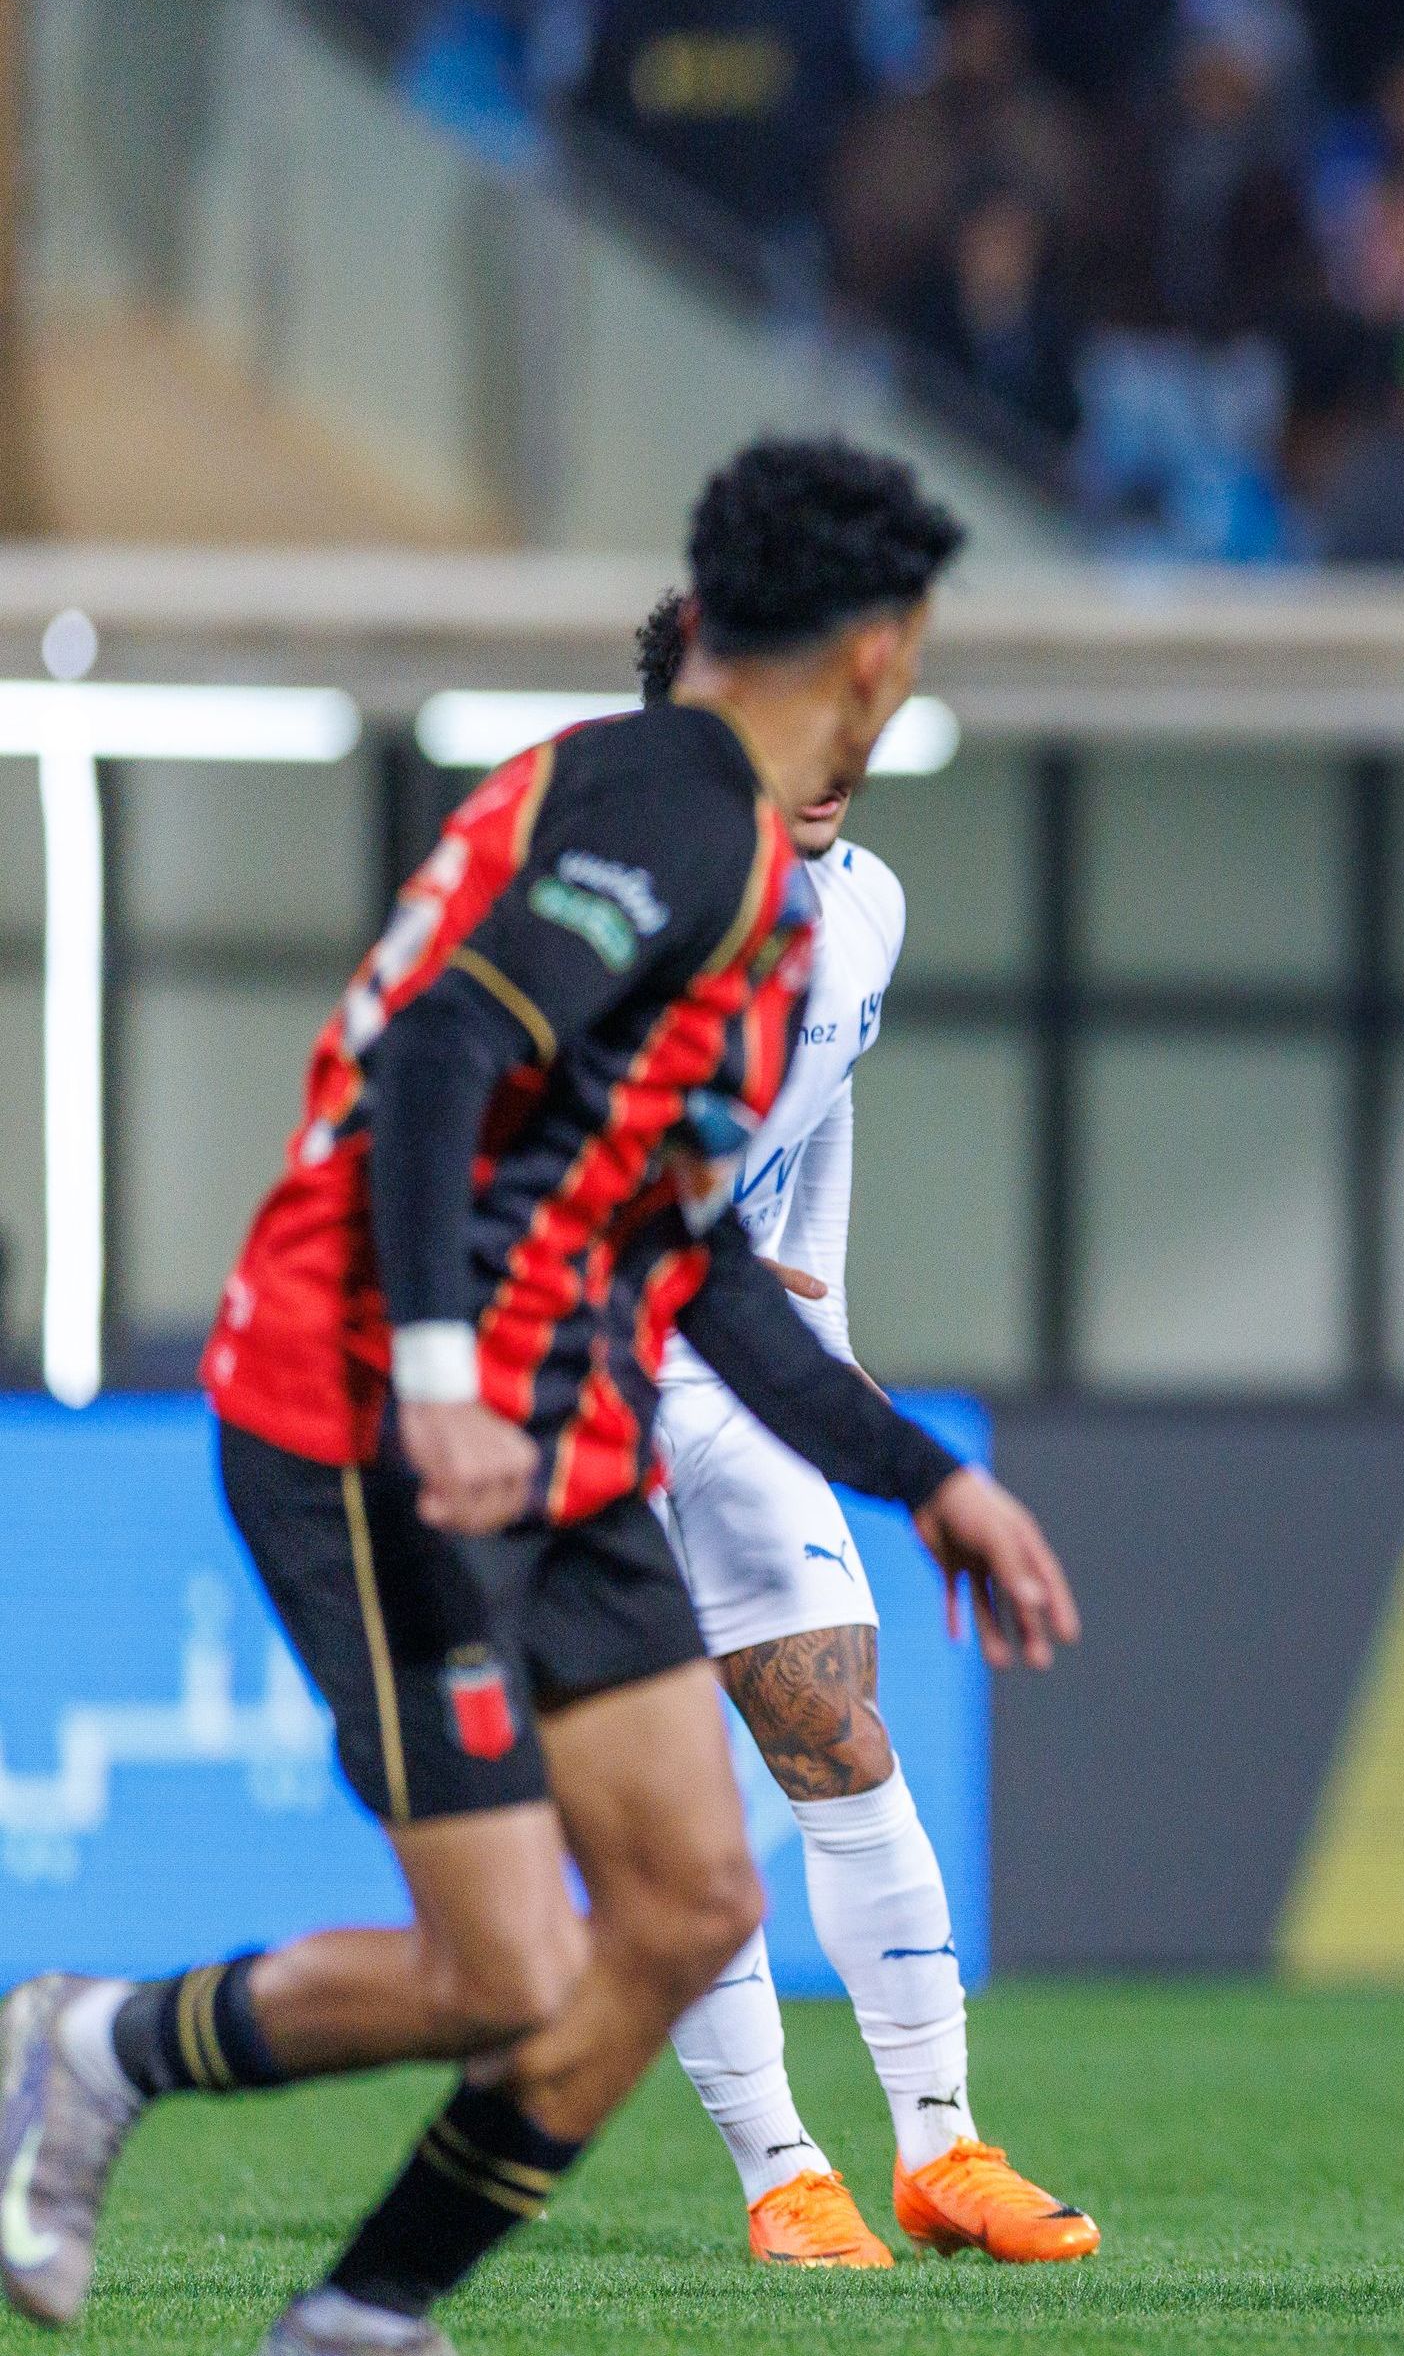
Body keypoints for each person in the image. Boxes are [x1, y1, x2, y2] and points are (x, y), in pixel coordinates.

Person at [0, 441, 1079, 2356]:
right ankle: (87, 2043)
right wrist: (426, 1372)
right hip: (363, 1406)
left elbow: (687, 1254)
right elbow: (434, 1058)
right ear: (877, 648)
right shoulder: (673, 825)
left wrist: (925, 1479)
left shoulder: (740, 856)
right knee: (510, 1966)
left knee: (679, 1902)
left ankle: (362, 2315)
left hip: (564, 1391)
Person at [617, 597, 1095, 2271]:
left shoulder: (865, 908)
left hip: (732, 1356)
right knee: (667, 1801)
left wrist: (818, 1329)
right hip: (563, 1390)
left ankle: (941, 2149)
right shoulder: (615, 922)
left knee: (835, 1718)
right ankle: (778, 2172)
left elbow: (822, 1114)